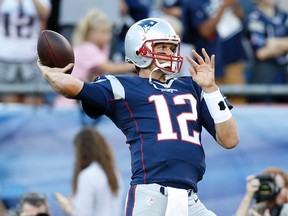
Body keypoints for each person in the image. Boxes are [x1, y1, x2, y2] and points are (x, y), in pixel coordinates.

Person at [37, 17, 239, 215]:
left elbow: (230, 140)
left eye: (171, 48)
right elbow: (70, 87)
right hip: (151, 194)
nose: (169, 53)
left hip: (190, 199)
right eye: (161, 47)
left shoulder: (194, 86)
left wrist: (211, 89)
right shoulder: (123, 86)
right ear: (139, 50)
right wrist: (52, 73)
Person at [53, 9, 135, 107]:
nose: (109, 36)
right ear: (91, 33)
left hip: (83, 100)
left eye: (109, 31)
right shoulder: (87, 47)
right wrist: (138, 64)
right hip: (69, 104)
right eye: (104, 32)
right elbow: (112, 68)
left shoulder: (104, 47)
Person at [181, 0, 248, 104]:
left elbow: (241, 18)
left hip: (232, 59)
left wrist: (233, 4)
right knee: (210, 103)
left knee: (238, 100)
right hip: (206, 62)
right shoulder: (194, 3)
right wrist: (223, 7)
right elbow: (205, 31)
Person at [54, 126, 123, 216]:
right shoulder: (115, 174)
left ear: (81, 151)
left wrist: (68, 208)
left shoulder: (87, 176)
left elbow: (83, 213)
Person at [0, 0, 51, 105]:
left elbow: (45, 13)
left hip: (31, 57)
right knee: (11, 110)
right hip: (6, 58)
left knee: (34, 107)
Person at [245, 0, 288, 103]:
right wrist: (284, 45)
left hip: (284, 71)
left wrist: (273, 43)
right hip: (264, 74)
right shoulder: (254, 18)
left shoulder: (284, 16)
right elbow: (261, 53)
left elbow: (268, 46)